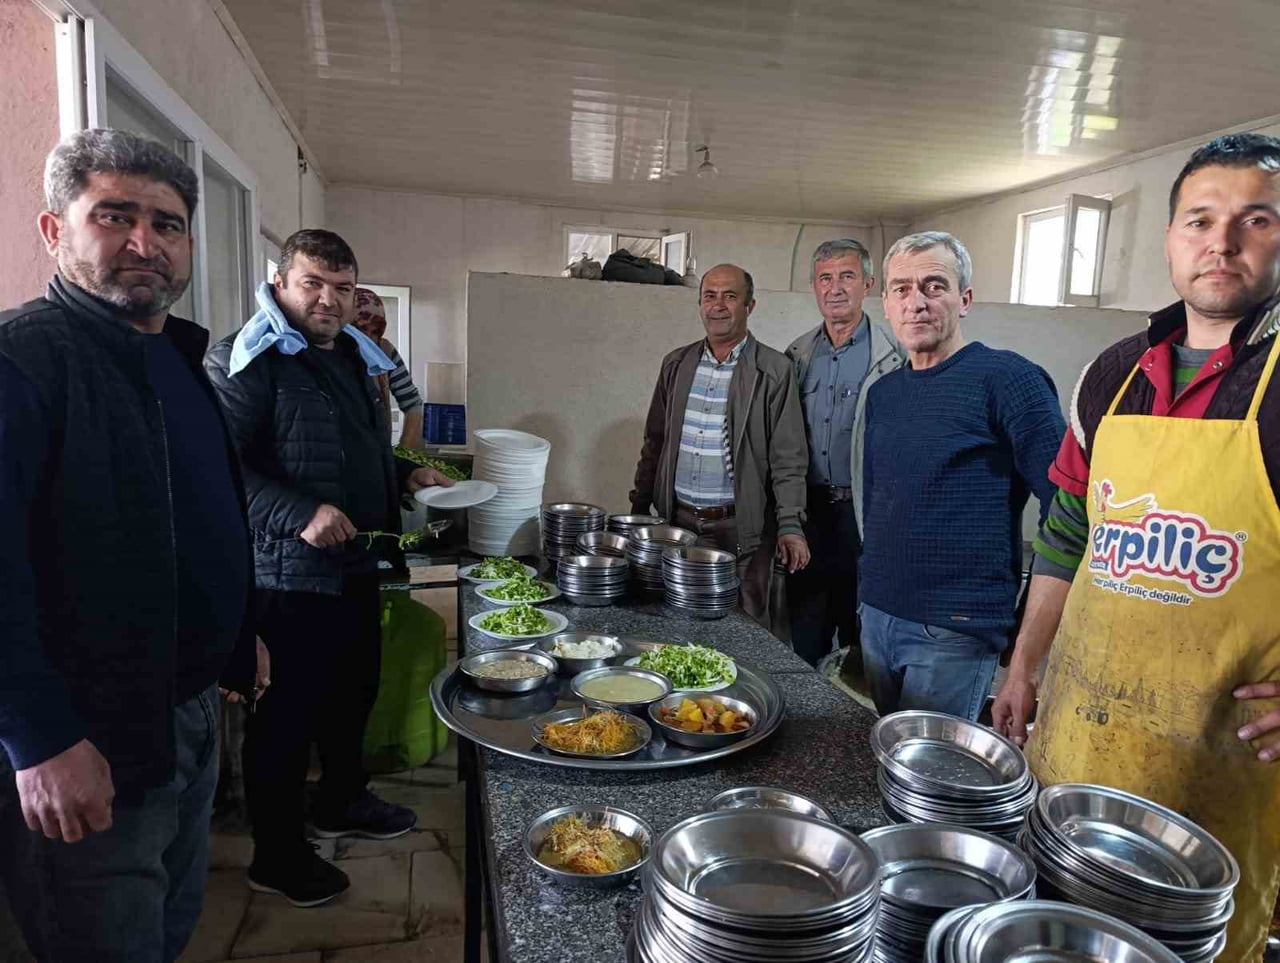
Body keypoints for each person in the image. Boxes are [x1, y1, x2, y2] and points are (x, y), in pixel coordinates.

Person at [992, 133, 1280, 961]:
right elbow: (1067, 531)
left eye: (1256, 219)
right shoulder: (1112, 374)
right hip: (1084, 739)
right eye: (1200, 219)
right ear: (1169, 238)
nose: (1221, 242)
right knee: (1053, 931)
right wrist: (1023, 663)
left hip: (1219, 766)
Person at [0, 128, 263, 962]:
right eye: (114, 216)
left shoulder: (178, 358)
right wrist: (39, 738)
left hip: (186, 712)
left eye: (167, 223)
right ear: (55, 231)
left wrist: (238, 635)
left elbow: (200, 513)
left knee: (168, 924)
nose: (145, 243)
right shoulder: (22, 361)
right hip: (89, 733)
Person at [205, 229, 453, 907]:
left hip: (356, 564)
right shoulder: (245, 358)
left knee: (352, 694)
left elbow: (355, 451)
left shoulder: (350, 356)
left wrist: (405, 473)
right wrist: (299, 512)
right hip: (288, 574)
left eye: (342, 287)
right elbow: (221, 472)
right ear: (280, 283)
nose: (328, 299)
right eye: (312, 283)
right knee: (286, 720)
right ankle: (277, 854)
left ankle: (342, 799)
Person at [858, 231, 1064, 720]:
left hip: (954, 627)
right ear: (886, 303)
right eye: (902, 289)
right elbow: (878, 503)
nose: (917, 303)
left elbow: (1068, 508)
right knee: (881, 755)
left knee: (933, 765)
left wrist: (1027, 639)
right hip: (877, 615)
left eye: (934, 286)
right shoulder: (884, 393)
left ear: (964, 299)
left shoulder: (1008, 379)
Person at [630, 263, 810, 632]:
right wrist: (639, 506)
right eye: (709, 296)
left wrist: (791, 524)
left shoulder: (774, 370)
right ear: (700, 304)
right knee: (678, 627)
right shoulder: (677, 364)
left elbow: (788, 457)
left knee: (745, 631)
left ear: (749, 305)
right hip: (679, 525)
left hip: (741, 530)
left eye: (730, 296)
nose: (718, 305)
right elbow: (655, 440)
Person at [785, 239, 905, 667]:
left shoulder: (895, 357)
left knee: (861, 638)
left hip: (864, 517)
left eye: (847, 276)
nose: (835, 288)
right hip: (808, 517)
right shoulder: (796, 355)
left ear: (869, 284)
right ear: (814, 287)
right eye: (825, 278)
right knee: (805, 634)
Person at [352, 287, 425, 450]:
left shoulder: (385, 351)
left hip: (378, 451)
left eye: (376, 331)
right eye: (360, 330)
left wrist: (403, 451)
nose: (368, 338)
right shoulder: (329, 352)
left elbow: (413, 404)